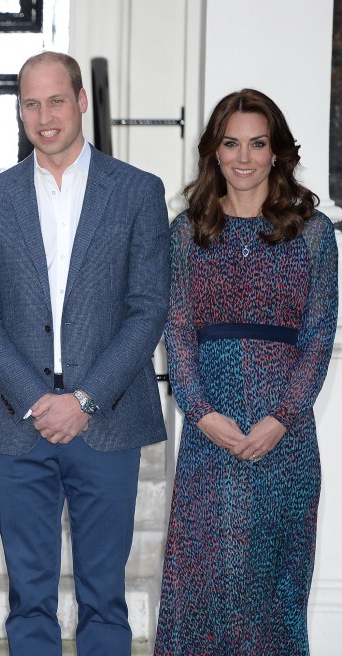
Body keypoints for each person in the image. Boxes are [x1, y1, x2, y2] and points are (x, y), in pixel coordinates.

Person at [0, 51, 170, 655]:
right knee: (28, 598)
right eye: (31, 103)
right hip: (18, 422)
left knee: (105, 598)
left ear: (82, 100)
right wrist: (34, 398)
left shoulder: (136, 191)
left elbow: (148, 306)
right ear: (19, 110)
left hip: (107, 419)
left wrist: (83, 399)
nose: (44, 116)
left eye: (56, 100)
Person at [155, 89, 338, 655]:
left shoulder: (312, 232)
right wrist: (201, 412)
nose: (243, 157)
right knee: (202, 583)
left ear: (277, 152)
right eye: (231, 143)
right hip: (210, 432)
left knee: (270, 588)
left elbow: (319, 334)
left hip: (284, 435)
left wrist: (282, 417)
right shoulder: (188, 232)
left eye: (257, 144)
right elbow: (177, 330)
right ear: (213, 151)